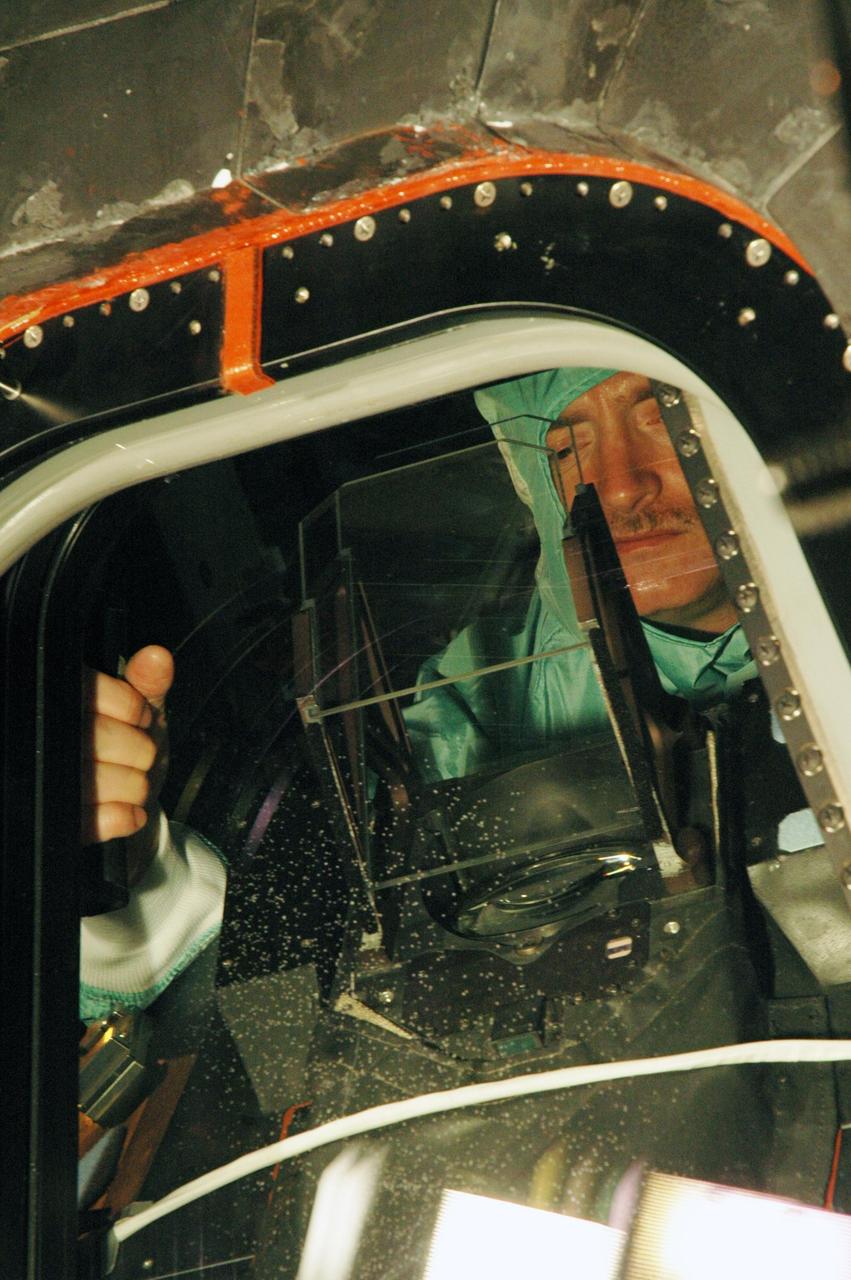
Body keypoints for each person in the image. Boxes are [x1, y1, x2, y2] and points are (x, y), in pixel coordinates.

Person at [80, 367, 755, 1015]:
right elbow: (334, 914)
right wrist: (135, 870)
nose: (618, 488)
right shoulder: (491, 687)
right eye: (566, 445)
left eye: (665, 419)